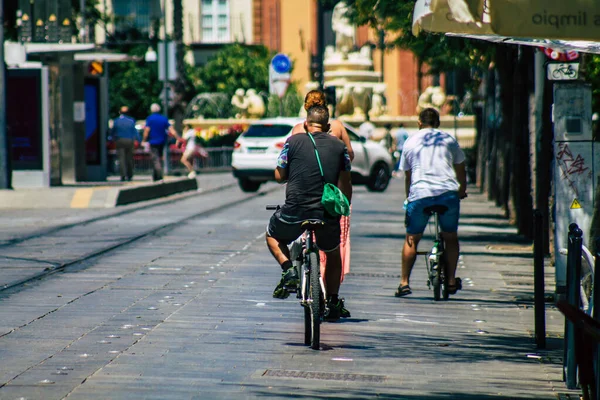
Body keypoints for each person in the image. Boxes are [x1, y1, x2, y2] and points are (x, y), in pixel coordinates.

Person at [266, 105, 352, 322]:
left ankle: (288, 270)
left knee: (272, 235)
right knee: (332, 253)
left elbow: (279, 175)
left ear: (305, 124)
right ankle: (332, 300)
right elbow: (346, 184)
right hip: (325, 213)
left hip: (294, 210)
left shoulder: (292, 142)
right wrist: (344, 209)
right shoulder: (340, 147)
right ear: (329, 126)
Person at [395, 108, 467, 298]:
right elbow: (461, 167)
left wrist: (409, 197)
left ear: (419, 122)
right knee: (450, 236)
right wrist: (462, 190)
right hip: (447, 193)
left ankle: (404, 283)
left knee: (412, 238)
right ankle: (451, 281)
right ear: (438, 123)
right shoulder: (449, 139)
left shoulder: (411, 141)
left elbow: (408, 176)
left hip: (420, 194)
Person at [291, 90, 353, 284]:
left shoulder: (297, 130)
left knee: (302, 233)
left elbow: (288, 162)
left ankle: (300, 265)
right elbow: (349, 156)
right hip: (331, 196)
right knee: (333, 244)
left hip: (303, 197)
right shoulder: (338, 127)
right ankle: (331, 291)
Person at [142, 103, 182, 182]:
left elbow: (147, 130)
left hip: (153, 142)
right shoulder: (163, 119)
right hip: (162, 141)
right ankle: (155, 176)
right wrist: (178, 138)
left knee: (155, 159)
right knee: (158, 158)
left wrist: (143, 140)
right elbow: (171, 130)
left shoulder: (150, 119)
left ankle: (159, 175)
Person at [112, 106, 138, 181]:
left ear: (120, 112)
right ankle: (130, 175)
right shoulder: (131, 120)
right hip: (130, 140)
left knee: (121, 158)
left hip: (120, 140)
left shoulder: (116, 121)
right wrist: (138, 141)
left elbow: (113, 132)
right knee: (129, 158)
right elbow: (135, 132)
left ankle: (123, 175)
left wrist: (111, 139)